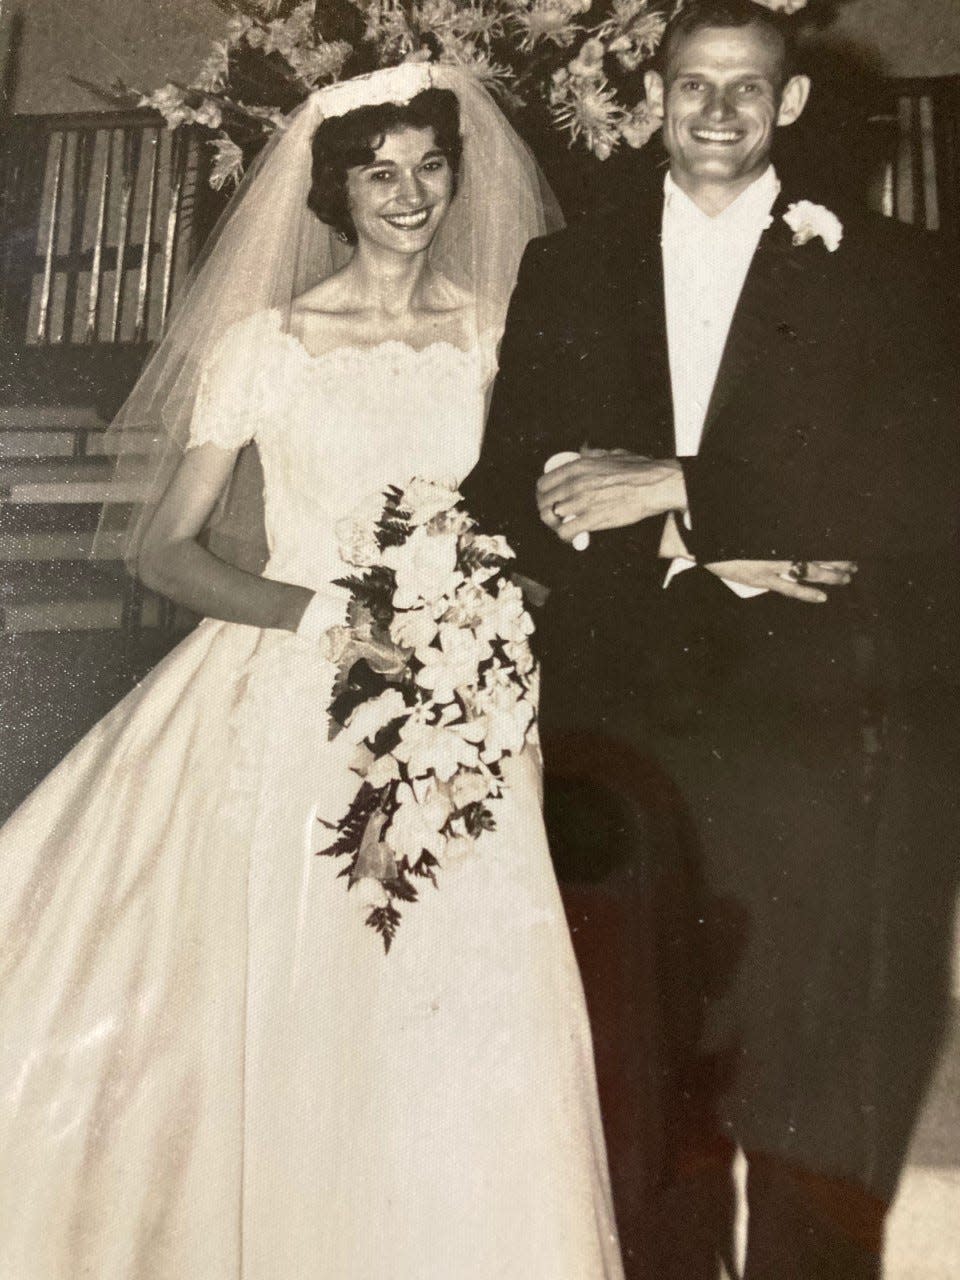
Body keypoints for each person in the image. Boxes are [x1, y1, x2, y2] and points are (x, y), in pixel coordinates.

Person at [0, 64, 624, 1279]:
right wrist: (325, 618)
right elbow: (164, 551)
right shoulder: (266, 343)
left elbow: (530, 519)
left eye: (431, 166)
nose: (412, 193)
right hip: (288, 688)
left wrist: (482, 613)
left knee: (462, 996)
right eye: (380, 171)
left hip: (457, 707)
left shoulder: (493, 335)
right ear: (337, 190)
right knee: (293, 997)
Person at [463, 3, 960, 1277]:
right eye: (695, 85)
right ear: (654, 96)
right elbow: (511, 478)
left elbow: (923, 486)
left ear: (791, 105)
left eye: (750, 88)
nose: (722, 111)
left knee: (809, 1069)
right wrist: (620, 509)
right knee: (644, 1077)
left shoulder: (895, 268)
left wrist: (686, 484)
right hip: (623, 712)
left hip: (810, 715)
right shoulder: (569, 267)